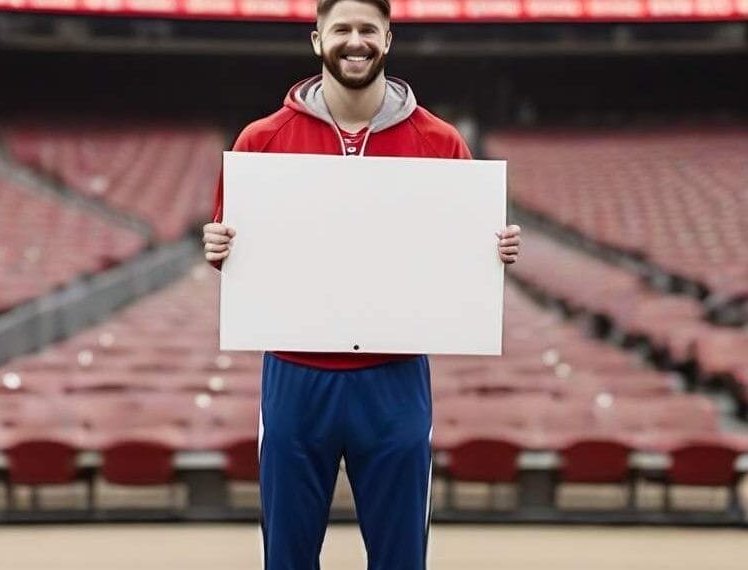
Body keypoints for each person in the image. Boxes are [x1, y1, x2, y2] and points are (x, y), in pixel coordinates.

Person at [203, 1, 521, 568]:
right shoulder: (261, 142)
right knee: (288, 557)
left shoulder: (441, 142)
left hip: (393, 379)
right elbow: (234, 248)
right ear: (317, 38)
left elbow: (465, 247)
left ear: (388, 39)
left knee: (400, 557)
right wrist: (218, 249)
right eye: (342, 29)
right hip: (296, 375)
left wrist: (493, 251)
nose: (356, 41)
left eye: (368, 30)